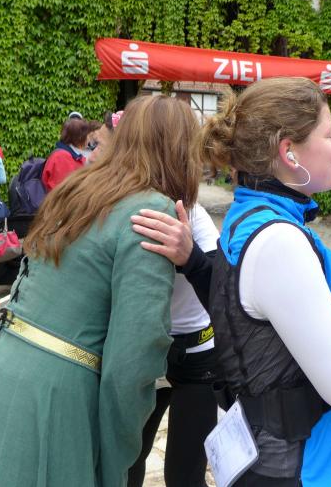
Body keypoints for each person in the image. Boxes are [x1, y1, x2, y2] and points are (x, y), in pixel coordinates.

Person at [133, 77, 331, 486]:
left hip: (276, 454)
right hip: (299, 466)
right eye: (329, 134)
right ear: (288, 151)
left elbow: (235, 305)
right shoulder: (278, 239)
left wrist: (193, 261)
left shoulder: (246, 215)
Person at [0, 94, 202, 487]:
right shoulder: (153, 211)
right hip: (46, 413)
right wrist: (115, 459)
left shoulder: (79, 187)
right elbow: (135, 359)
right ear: (182, 150)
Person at [127, 207, 220, 487]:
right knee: (127, 463)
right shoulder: (127, 208)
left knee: (184, 477)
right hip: (143, 350)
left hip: (196, 356)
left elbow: (222, 288)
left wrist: (191, 256)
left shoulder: (194, 215)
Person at [41, 117, 89, 191]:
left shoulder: (72, 155)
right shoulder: (62, 158)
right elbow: (60, 192)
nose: (88, 139)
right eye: (87, 135)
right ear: (80, 137)